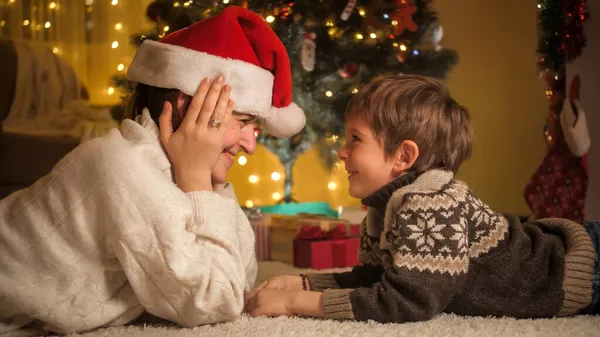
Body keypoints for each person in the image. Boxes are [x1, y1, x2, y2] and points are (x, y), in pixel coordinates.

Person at [0, 6, 305, 336]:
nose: (250, 145)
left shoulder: (178, 169)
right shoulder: (125, 166)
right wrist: (197, 178)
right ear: (190, 107)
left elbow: (238, 279)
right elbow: (216, 301)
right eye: (244, 123)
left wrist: (202, 179)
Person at [244, 75, 599, 322]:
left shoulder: (431, 202)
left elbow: (407, 301)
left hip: (578, 270)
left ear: (403, 157)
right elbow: (379, 279)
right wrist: (304, 282)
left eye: (356, 139)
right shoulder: (386, 204)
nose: (341, 152)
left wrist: (295, 301)